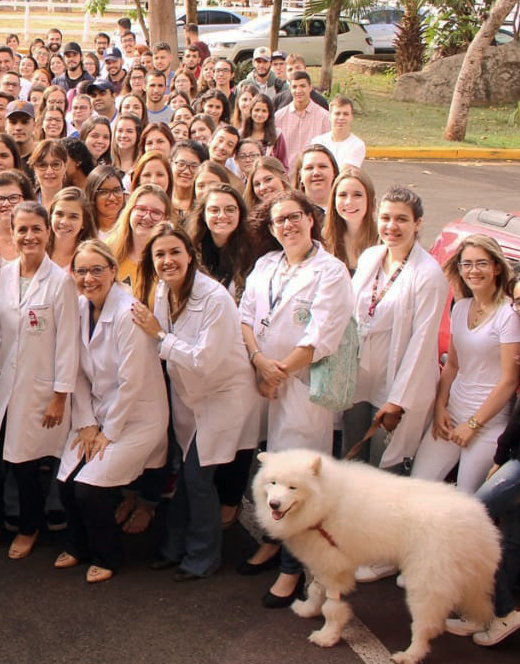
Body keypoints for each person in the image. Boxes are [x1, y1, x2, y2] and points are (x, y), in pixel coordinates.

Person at [238, 190, 353, 607]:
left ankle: (292, 569)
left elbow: (321, 336)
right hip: (263, 379)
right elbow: (246, 317)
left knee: (295, 484)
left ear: (310, 219)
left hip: (300, 389)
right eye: (278, 221)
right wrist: (258, 362)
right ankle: (273, 543)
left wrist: (279, 371)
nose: (286, 226)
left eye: (294, 217)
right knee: (267, 475)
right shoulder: (266, 264)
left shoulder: (332, 272)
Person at [133, 225, 258, 581]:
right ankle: (174, 549)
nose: (168, 260)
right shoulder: (162, 291)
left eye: (175, 252)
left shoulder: (215, 298)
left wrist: (159, 334)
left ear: (190, 255)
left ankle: (203, 557)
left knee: (197, 478)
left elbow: (204, 359)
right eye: (160, 254)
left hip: (223, 396)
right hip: (191, 396)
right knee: (187, 478)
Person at [0, 201, 79, 559]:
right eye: (21, 229)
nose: (28, 236)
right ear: (12, 233)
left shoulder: (61, 283)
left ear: (47, 232)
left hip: (41, 388)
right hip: (2, 384)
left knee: (26, 463)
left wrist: (60, 396)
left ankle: (29, 529)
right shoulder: (5, 275)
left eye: (35, 229)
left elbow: (68, 343)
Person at [342, 186, 448, 584]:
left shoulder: (428, 275)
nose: (392, 226)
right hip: (360, 382)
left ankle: (387, 551)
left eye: (402, 219)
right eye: (386, 218)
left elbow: (422, 344)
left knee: (384, 471)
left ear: (418, 224)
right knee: (354, 465)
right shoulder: (371, 257)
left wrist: (398, 401)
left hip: (395, 391)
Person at [454, 272, 520, 645]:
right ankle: (483, 613)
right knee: (512, 534)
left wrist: (503, 452)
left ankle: (501, 612)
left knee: (474, 517)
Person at [54, 240, 166, 583]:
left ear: (114, 271)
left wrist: (108, 433)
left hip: (138, 417)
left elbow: (132, 383)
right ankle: (78, 546)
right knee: (65, 482)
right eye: (82, 271)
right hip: (98, 414)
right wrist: (87, 422)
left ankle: (108, 555)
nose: (89, 278)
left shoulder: (127, 312)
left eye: (97, 270)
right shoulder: (79, 307)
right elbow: (75, 371)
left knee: (90, 488)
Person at [411, 234, 520, 492]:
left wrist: (474, 424)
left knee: (467, 503)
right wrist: (440, 408)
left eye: (482, 263)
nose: (474, 271)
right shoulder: (461, 307)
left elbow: (509, 380)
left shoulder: (509, 316)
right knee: (417, 487)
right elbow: (452, 366)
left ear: (497, 267)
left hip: (488, 424)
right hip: (452, 414)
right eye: (467, 264)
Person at [322, 166, 376, 274]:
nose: (349, 202)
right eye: (342, 195)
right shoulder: (325, 237)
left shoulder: (383, 239)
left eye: (357, 195)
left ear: (370, 200)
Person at [272, 71, 330, 170]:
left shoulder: (324, 117)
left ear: (310, 88)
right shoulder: (279, 117)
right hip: (286, 176)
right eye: (294, 87)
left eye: (303, 86)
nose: (298, 90)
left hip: (313, 174)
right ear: (290, 89)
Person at [46, 187, 96, 268]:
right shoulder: (37, 251)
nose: (64, 222)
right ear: (51, 216)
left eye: (73, 217)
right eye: (59, 214)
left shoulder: (92, 258)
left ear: (84, 222)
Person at [310, 96, 366, 168]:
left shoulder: (357, 145)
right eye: (337, 113)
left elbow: (345, 172)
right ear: (330, 116)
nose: (341, 117)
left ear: (351, 117)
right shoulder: (317, 142)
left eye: (346, 114)